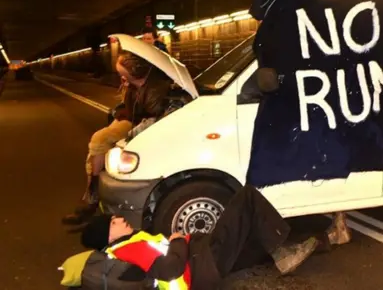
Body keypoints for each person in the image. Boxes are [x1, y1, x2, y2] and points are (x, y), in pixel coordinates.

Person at [80, 185, 319, 289]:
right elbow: (168, 269)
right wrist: (176, 240)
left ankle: (325, 238)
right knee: (246, 197)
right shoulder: (129, 248)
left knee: (255, 244)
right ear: (109, 236)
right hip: (201, 266)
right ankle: (283, 252)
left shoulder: (126, 248)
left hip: (199, 266)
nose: (121, 219)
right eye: (114, 222)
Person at [63, 51, 173, 225]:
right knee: (95, 150)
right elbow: (129, 107)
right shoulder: (133, 85)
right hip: (129, 118)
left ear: (133, 72)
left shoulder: (153, 88)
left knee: (99, 140)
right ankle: (92, 195)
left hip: (136, 122)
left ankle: (92, 198)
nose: (119, 75)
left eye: (122, 72)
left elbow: (150, 115)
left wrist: (130, 134)